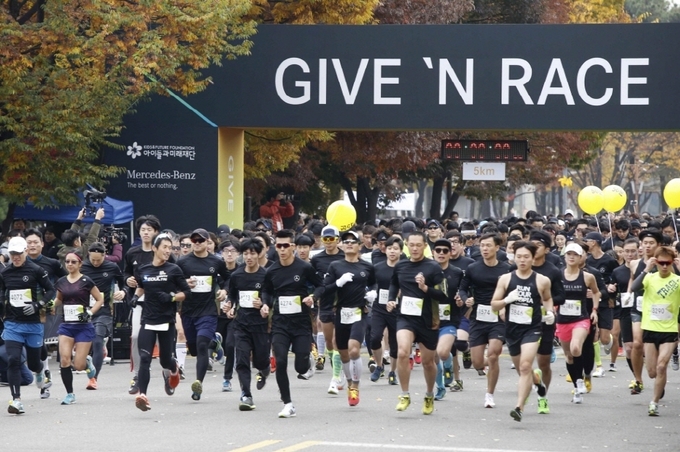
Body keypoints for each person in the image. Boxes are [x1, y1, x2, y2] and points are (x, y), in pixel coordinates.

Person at [261, 229, 322, 418]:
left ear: (293, 247)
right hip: (280, 322)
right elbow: (266, 291)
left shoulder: (304, 268)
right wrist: (265, 304)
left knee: (300, 368)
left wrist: (313, 297)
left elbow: (321, 285)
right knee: (280, 361)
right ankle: (287, 403)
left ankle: (307, 360)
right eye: (278, 246)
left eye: (285, 245)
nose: (281, 249)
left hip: (301, 322)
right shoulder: (272, 271)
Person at [490, 241, 553, 422]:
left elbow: (547, 298)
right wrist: (507, 300)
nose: (522, 260)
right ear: (514, 258)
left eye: (526, 257)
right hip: (512, 329)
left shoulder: (542, 280)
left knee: (525, 366)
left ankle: (519, 407)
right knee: (522, 369)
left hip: (532, 329)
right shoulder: (505, 279)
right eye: (519, 257)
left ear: (533, 259)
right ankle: (537, 381)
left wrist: (550, 312)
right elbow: (494, 305)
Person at [386, 231, 447, 415]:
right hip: (405, 317)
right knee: (403, 352)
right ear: (406, 245)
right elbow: (394, 284)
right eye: (411, 245)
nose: (414, 248)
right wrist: (391, 299)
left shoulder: (433, 267)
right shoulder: (401, 265)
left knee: (428, 362)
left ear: (425, 246)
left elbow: (443, 294)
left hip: (428, 319)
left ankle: (429, 395)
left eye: (418, 245)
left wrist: (425, 288)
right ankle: (404, 394)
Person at [130, 233, 191, 411]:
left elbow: (186, 292)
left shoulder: (174, 269)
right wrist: (135, 297)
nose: (168, 251)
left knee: (165, 361)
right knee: (145, 358)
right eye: (164, 247)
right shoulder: (144, 269)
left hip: (166, 321)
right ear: (154, 248)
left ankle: (174, 368)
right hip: (148, 319)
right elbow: (141, 286)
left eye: (170, 248)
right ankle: (143, 395)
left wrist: (172, 298)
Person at [317, 230, 376, 406]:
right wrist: (338, 283)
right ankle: (349, 382)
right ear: (342, 245)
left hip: (359, 312)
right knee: (343, 353)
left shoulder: (367, 267)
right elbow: (324, 289)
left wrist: (373, 292)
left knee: (354, 350)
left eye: (353, 241)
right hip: (341, 313)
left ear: (359, 245)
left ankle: (356, 386)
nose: (349, 244)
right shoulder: (335, 266)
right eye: (346, 241)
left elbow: (374, 283)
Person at [0, 237, 55, 414]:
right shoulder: (5, 273)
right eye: (12, 254)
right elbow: (2, 292)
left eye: (18, 253)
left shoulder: (36, 270)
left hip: (33, 324)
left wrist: (38, 305)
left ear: (25, 251)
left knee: (33, 364)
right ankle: (16, 400)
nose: (15, 257)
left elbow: (51, 290)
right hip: (12, 324)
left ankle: (40, 372)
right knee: (13, 360)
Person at [458, 233, 511, 408]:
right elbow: (462, 289)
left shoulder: (506, 269)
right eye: (482, 246)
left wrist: (504, 305)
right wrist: (466, 299)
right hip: (478, 318)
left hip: (498, 318)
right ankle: (487, 363)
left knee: (494, 354)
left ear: (497, 247)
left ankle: (489, 394)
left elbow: (513, 290)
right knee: (478, 363)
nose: (485, 249)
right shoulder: (473, 268)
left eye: (488, 245)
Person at [176, 228, 229, 401]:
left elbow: (228, 279)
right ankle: (215, 342)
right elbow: (173, 281)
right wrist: (184, 283)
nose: (197, 243)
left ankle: (198, 383)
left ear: (208, 242)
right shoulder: (182, 262)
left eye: (201, 240)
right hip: (188, 311)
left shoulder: (216, 261)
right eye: (194, 241)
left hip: (208, 311)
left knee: (201, 345)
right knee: (193, 348)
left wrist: (224, 290)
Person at [630, 246, 680, 416]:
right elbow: (634, 287)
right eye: (661, 263)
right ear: (656, 262)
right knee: (652, 372)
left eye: (668, 263)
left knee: (661, 366)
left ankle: (654, 402)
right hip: (650, 329)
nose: (664, 266)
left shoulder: (677, 280)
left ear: (672, 263)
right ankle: (658, 386)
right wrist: (646, 269)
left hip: (669, 330)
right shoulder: (649, 278)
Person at [224, 239, 270, 411]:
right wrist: (230, 306)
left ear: (259, 254)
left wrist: (264, 304)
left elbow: (270, 295)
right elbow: (233, 296)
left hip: (260, 325)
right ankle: (246, 395)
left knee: (260, 360)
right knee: (242, 360)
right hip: (241, 324)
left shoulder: (265, 275)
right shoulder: (237, 276)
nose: (249, 257)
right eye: (245, 254)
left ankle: (264, 370)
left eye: (252, 253)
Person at [53, 251, 104, 405]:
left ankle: (87, 363)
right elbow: (59, 299)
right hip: (66, 326)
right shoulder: (61, 282)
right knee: (65, 360)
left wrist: (90, 313)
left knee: (78, 366)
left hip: (83, 326)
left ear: (80, 264)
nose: (70, 264)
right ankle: (70, 394)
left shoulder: (86, 281)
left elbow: (100, 299)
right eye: (67, 261)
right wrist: (50, 305)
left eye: (73, 262)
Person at [123, 214, 166, 394]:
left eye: (149, 229)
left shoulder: (162, 252)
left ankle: (167, 371)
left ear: (156, 232)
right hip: (139, 302)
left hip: (160, 304)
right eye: (143, 230)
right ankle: (137, 376)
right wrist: (128, 280)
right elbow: (125, 273)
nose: (146, 233)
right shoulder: (132, 253)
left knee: (162, 341)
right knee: (135, 337)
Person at [24, 228, 66, 399]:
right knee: (34, 346)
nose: (32, 245)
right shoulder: (19, 263)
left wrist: (57, 298)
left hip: (45, 309)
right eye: (29, 242)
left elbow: (66, 280)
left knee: (40, 341)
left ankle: (45, 375)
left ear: (42, 244)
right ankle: (42, 371)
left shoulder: (52, 263)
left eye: (36, 242)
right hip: (23, 310)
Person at [556, 243, 600, 404]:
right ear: (564, 256)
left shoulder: (587, 277)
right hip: (562, 320)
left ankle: (581, 379)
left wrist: (594, 310)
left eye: (575, 254)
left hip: (581, 319)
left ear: (581, 257)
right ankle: (577, 385)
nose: (572, 257)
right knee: (569, 356)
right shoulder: (557, 275)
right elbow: (549, 293)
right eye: (569, 254)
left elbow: (596, 292)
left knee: (576, 348)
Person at [528, 230, 566, 414]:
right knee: (524, 362)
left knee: (543, 363)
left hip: (545, 319)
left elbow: (561, 296)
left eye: (539, 245)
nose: (534, 248)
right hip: (522, 321)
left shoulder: (552, 271)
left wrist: (545, 303)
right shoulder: (518, 267)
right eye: (532, 245)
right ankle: (532, 383)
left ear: (547, 249)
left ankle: (543, 396)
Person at [80, 242, 125, 390]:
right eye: (92, 260)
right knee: (85, 345)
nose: (95, 263)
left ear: (105, 256)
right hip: (84, 310)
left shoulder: (112, 267)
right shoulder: (82, 266)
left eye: (98, 260)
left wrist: (123, 291)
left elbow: (123, 282)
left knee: (97, 341)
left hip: (104, 310)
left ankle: (93, 379)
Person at [628, 229, 664, 395]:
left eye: (651, 243)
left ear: (658, 245)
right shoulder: (634, 263)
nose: (647, 246)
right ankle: (638, 379)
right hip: (639, 308)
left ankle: (659, 379)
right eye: (645, 243)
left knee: (656, 347)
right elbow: (632, 280)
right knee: (637, 343)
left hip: (658, 309)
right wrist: (628, 294)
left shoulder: (664, 263)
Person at [310, 225, 345, 390]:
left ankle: (336, 376)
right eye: (325, 239)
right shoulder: (317, 259)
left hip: (343, 303)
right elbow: (313, 281)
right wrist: (314, 296)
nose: (329, 242)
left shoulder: (345, 256)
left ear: (338, 240)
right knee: (329, 343)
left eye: (332, 239)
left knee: (337, 341)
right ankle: (335, 364)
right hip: (324, 303)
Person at [431, 238, 464, 401]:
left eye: (445, 251)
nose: (441, 253)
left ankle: (449, 363)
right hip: (429, 318)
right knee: (433, 357)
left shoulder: (457, 273)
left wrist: (461, 299)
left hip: (450, 318)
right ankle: (440, 386)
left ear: (450, 253)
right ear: (433, 253)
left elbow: (463, 292)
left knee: (443, 352)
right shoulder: (426, 270)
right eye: (438, 250)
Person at [369, 236, 402, 385]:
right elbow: (370, 284)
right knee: (375, 337)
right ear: (385, 250)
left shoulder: (404, 268)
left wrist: (398, 295)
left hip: (397, 310)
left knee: (395, 344)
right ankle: (379, 366)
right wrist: (371, 293)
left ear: (401, 251)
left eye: (395, 249)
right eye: (389, 248)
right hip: (379, 308)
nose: (392, 251)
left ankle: (393, 372)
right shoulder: (377, 267)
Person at [584, 232, 617, 377]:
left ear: (594, 242)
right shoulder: (587, 261)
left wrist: (611, 292)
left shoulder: (609, 260)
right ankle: (598, 366)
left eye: (587, 240)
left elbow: (616, 277)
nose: (585, 243)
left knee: (604, 338)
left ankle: (610, 340)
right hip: (590, 302)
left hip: (605, 300)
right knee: (593, 335)